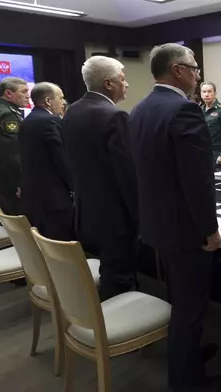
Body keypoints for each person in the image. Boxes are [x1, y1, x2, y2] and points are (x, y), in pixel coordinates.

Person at [129, 44, 221, 392]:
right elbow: (197, 181)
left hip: (157, 225)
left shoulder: (140, 109)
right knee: (189, 309)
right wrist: (210, 230)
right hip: (187, 232)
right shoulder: (185, 111)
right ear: (177, 70)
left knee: (179, 300)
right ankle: (188, 382)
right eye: (194, 67)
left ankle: (186, 356)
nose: (198, 74)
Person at [62, 56, 138, 301]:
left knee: (111, 273)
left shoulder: (72, 111)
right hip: (114, 219)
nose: (126, 85)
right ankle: (114, 333)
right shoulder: (115, 117)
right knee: (118, 279)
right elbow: (128, 177)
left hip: (86, 213)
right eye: (123, 79)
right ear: (108, 84)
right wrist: (142, 219)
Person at [19, 82, 74, 240]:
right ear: (48, 101)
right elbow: (62, 159)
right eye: (61, 98)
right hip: (54, 199)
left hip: (33, 196)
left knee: (44, 243)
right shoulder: (51, 122)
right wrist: (75, 187)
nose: (63, 102)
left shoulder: (26, 121)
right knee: (61, 244)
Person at [0, 77, 30, 214]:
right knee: (21, 220)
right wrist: (20, 183)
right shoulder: (7, 114)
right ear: (8, 93)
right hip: (9, 181)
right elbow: (12, 154)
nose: (28, 95)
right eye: (24, 91)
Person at [200, 81, 221, 168]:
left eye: (209, 91)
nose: (206, 94)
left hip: (217, 154)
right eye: (204, 92)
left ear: (215, 93)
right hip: (202, 152)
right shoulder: (200, 110)